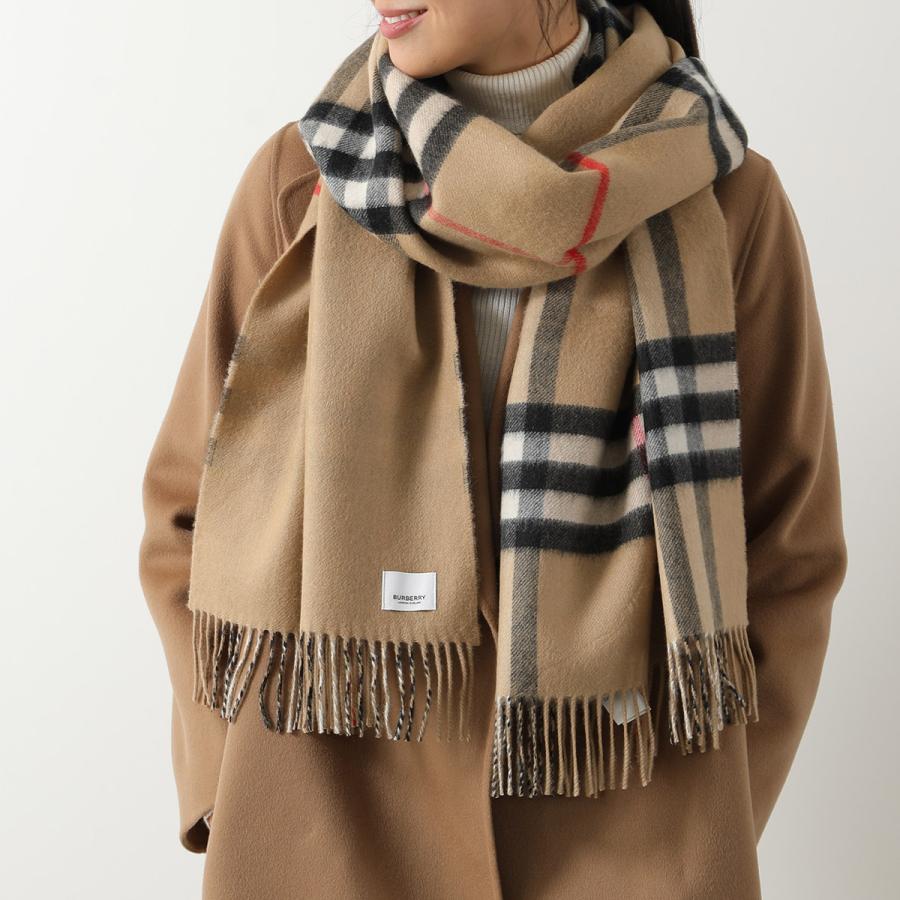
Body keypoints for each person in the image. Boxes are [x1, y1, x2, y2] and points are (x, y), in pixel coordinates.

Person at [138, 1, 848, 897]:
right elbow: (189, 516)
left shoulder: (725, 203)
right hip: (322, 835)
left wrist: (701, 826)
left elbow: (789, 552)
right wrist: (236, 795)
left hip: (628, 836)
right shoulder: (308, 180)